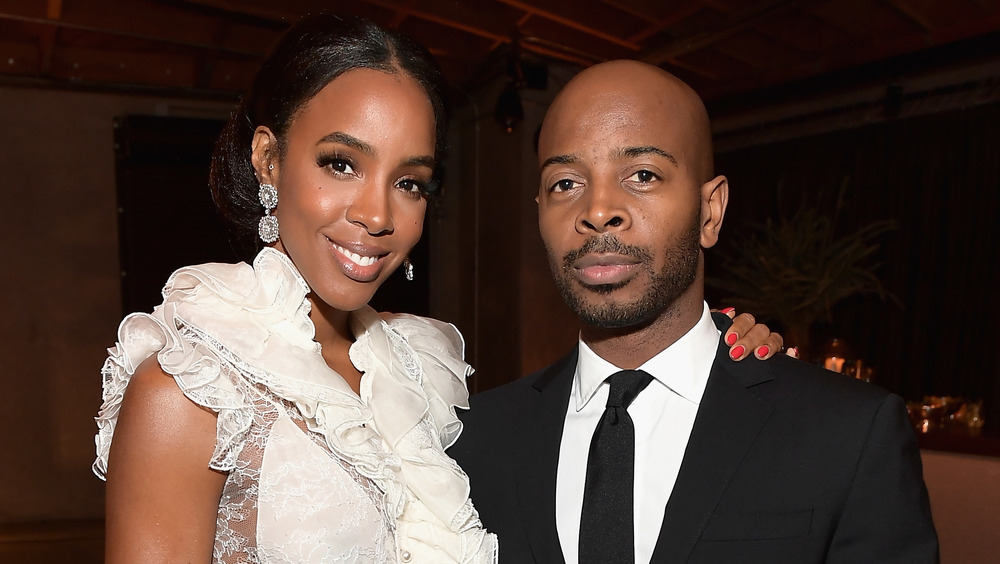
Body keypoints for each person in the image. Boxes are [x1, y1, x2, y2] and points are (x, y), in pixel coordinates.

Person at [91, 16, 777, 564]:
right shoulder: (190, 386)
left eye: (409, 180)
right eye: (341, 162)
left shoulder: (421, 372)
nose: (378, 214)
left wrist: (718, 361)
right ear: (268, 157)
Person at [449, 60, 938, 564]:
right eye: (565, 183)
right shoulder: (477, 438)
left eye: (642, 174)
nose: (596, 210)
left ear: (710, 212)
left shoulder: (849, 435)